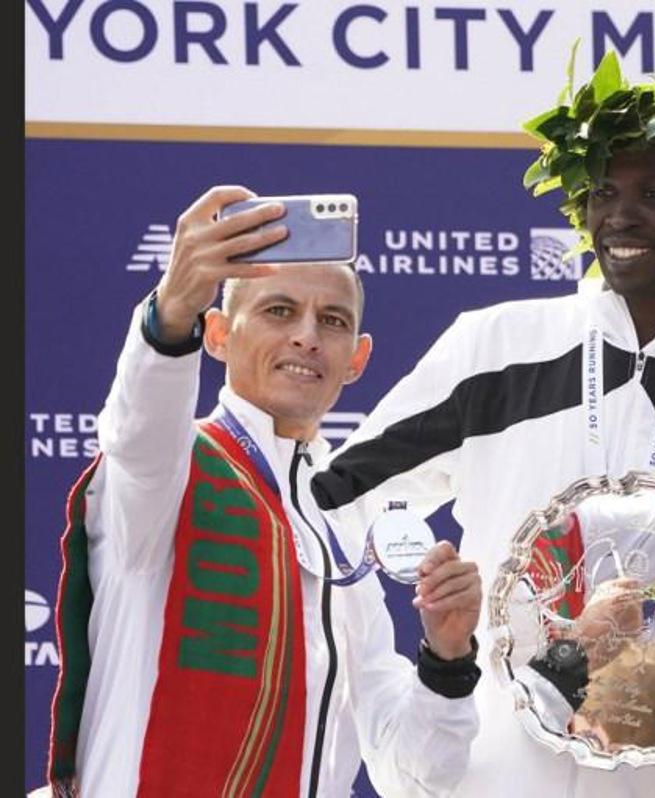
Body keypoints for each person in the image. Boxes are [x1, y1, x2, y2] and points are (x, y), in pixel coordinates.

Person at [310, 52, 655, 797]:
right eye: (604, 191)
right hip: (494, 772)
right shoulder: (498, 344)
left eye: (654, 193)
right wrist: (393, 691)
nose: (622, 214)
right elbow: (331, 501)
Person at [45, 185, 483, 797]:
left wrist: (447, 656)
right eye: (279, 311)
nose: (307, 336)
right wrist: (172, 311)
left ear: (356, 360)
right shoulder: (167, 473)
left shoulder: (344, 520)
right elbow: (139, 429)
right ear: (218, 335)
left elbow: (421, 769)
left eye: (332, 321)